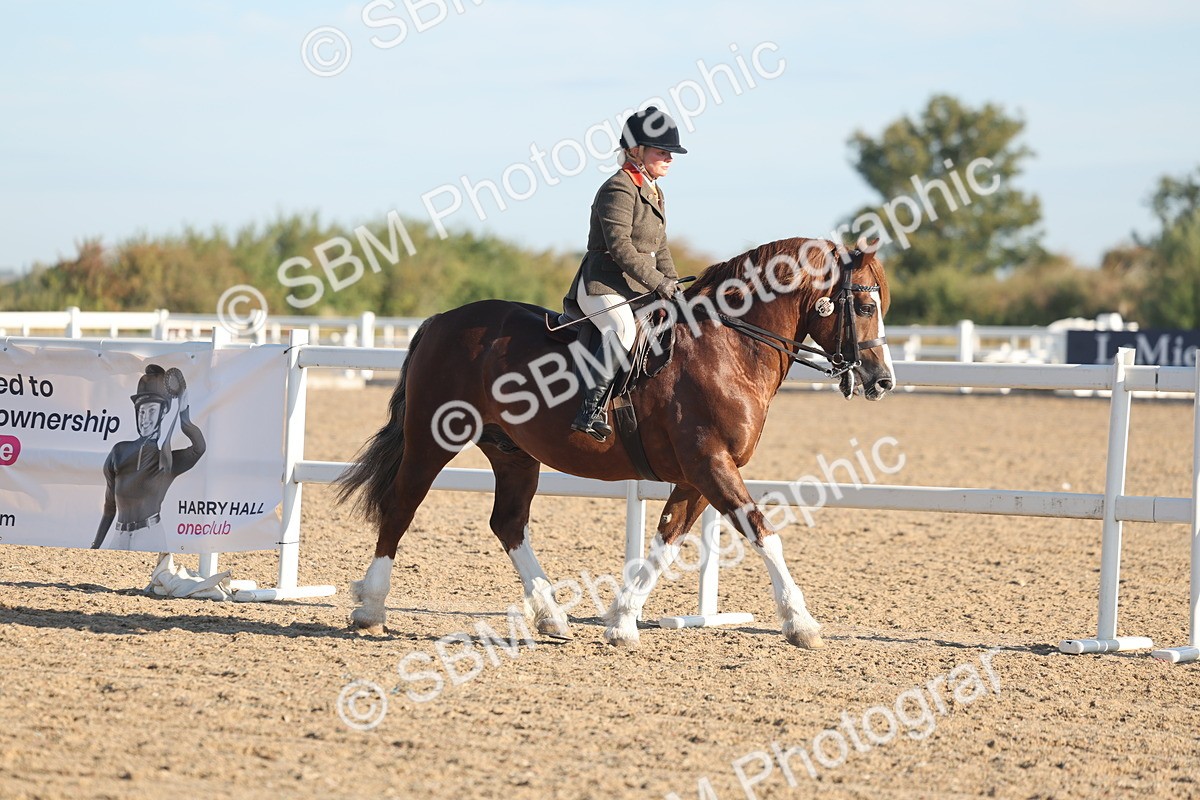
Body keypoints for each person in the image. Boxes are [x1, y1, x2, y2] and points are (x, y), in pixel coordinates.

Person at [564, 105, 687, 441]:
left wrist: (675, 286)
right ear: (636, 150)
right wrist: (659, 283)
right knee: (621, 329)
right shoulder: (618, 188)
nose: (669, 158)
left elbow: (659, 247)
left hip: (636, 285)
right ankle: (590, 411)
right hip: (602, 283)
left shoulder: (654, 192)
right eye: (662, 151)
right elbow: (621, 249)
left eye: (670, 152)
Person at [92, 364, 205, 552]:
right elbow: (110, 506)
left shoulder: (168, 461)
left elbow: (199, 448)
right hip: (119, 536)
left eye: (151, 410)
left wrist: (184, 414)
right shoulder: (119, 451)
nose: (144, 418)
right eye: (141, 411)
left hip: (149, 535)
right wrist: (95, 545)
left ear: (163, 412)